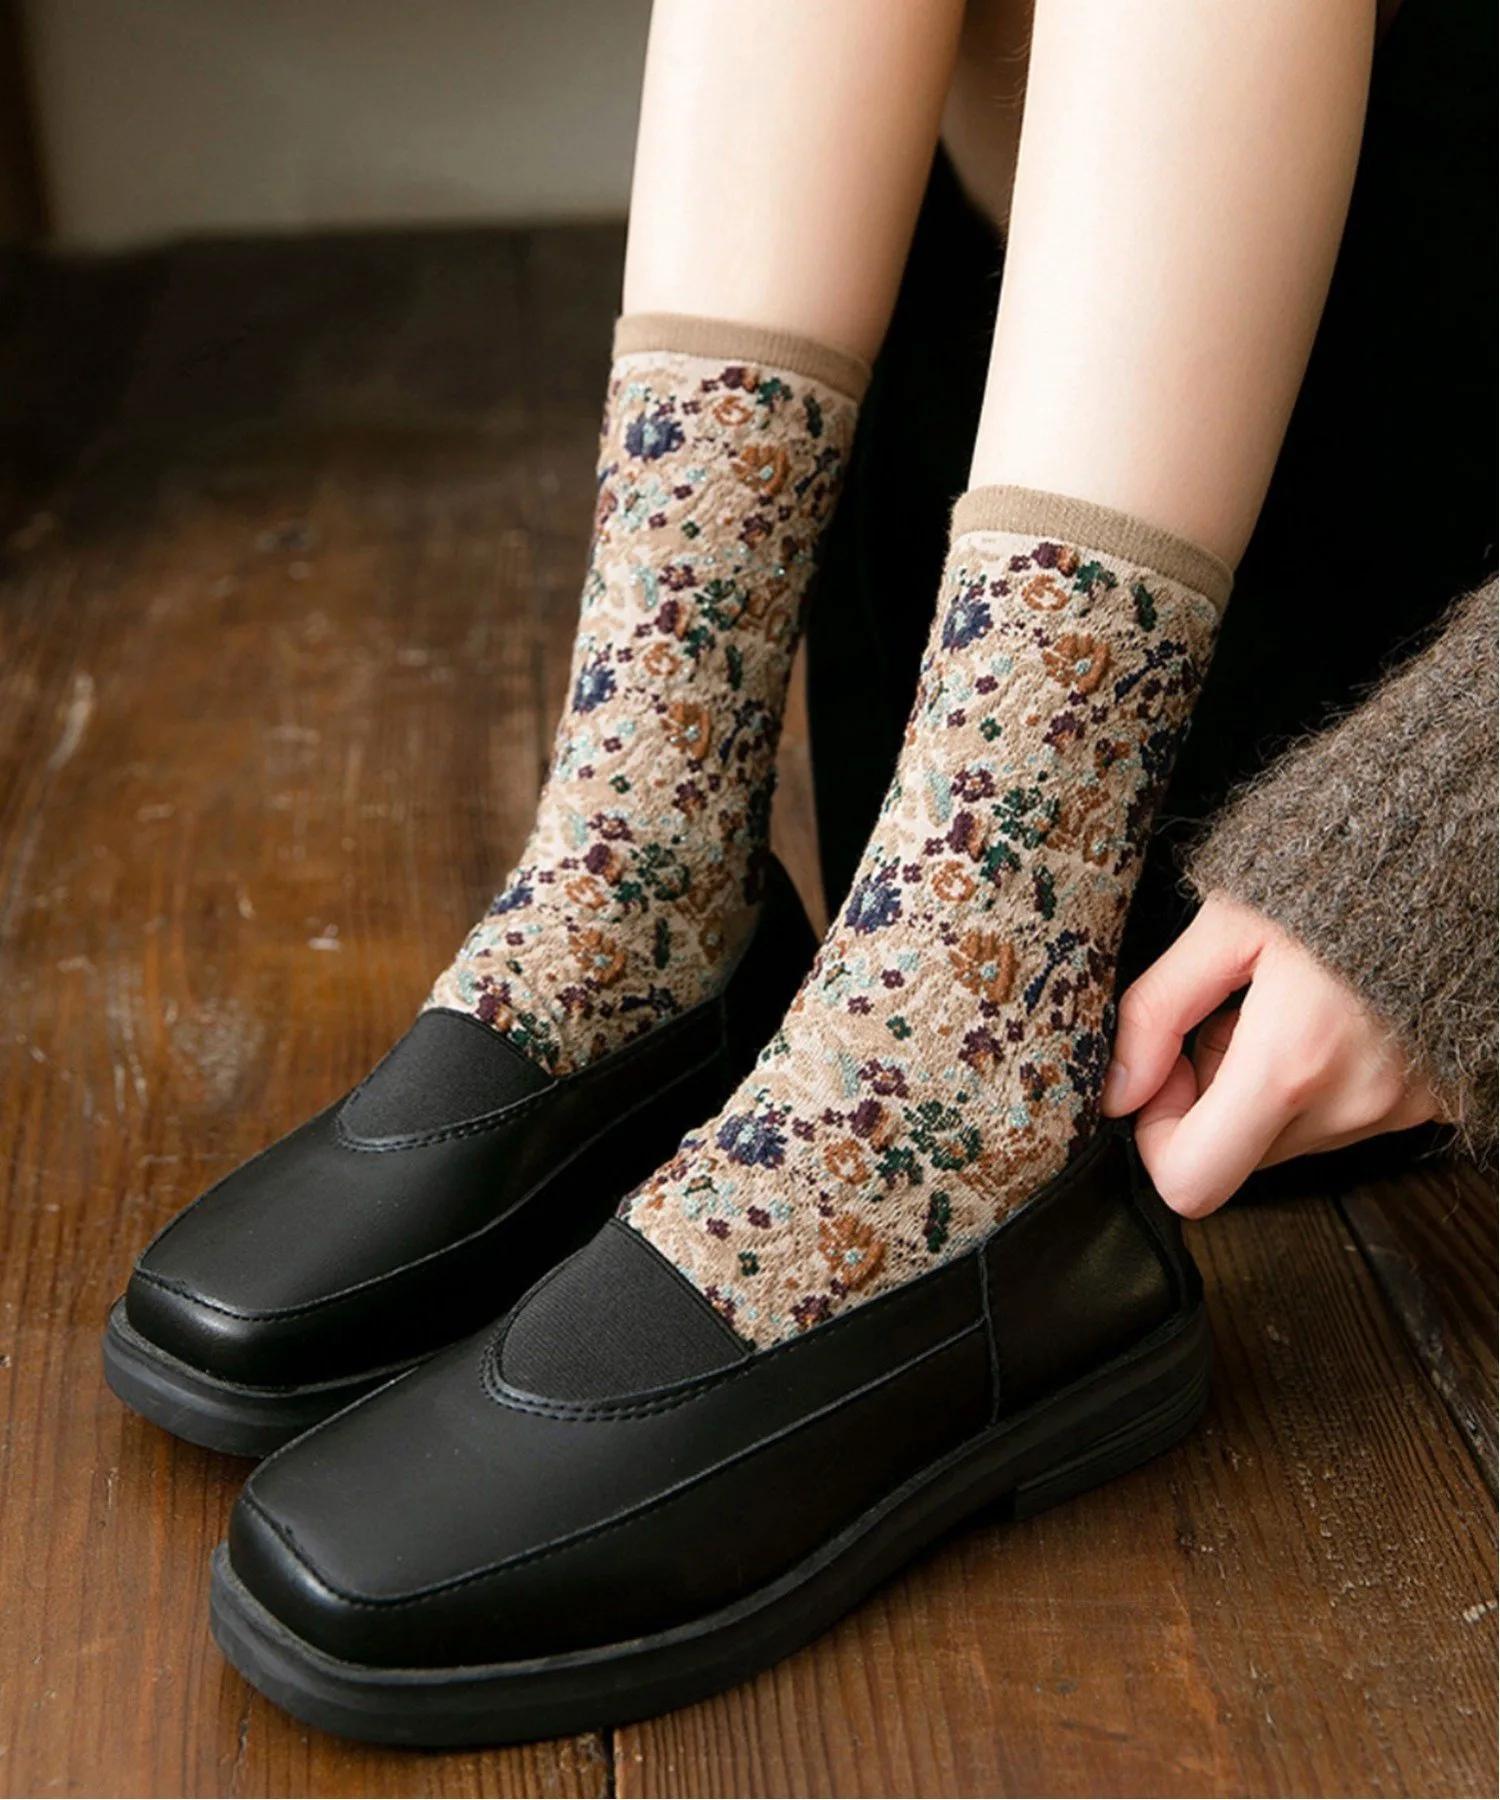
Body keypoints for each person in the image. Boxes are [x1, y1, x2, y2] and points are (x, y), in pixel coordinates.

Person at [106, 0, 1496, 1747]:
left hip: (1356, 756)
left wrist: (1460, 831)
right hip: (1060, 441)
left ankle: (935, 1095)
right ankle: (646, 876)